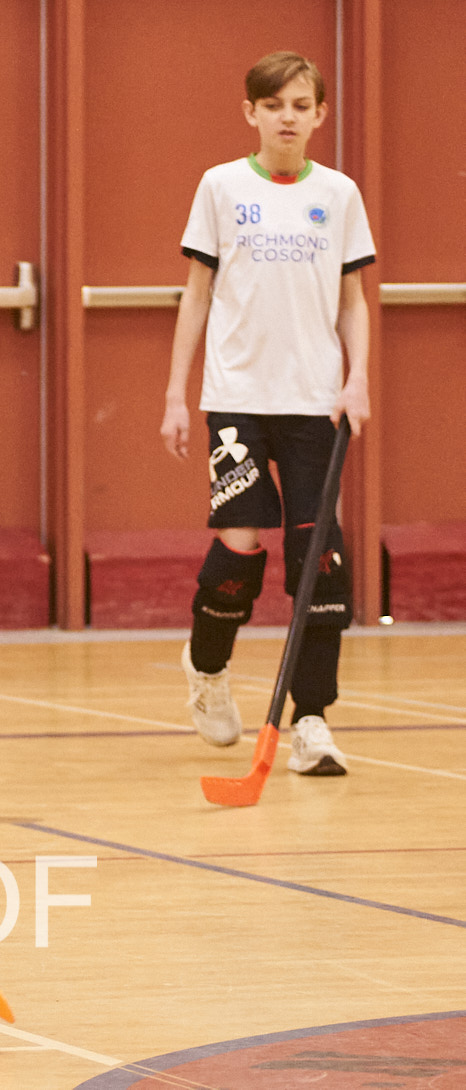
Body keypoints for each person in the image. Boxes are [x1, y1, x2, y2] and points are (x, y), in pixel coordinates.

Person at [160, 50, 372, 775]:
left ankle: (311, 720)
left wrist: (357, 379)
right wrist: (176, 395)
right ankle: (207, 667)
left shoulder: (339, 194)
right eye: (274, 104)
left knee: (320, 559)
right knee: (242, 543)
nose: (288, 117)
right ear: (250, 112)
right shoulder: (221, 186)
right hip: (237, 399)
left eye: (301, 105)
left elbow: (352, 301)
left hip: (314, 402)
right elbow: (196, 295)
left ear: (320, 115)